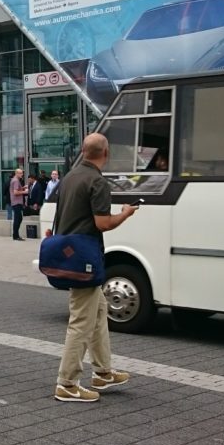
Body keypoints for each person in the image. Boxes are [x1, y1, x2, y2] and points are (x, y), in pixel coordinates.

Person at [53, 133, 138, 403]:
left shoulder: (70, 177)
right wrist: (125, 214)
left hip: (71, 256)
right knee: (80, 322)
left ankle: (102, 372)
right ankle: (66, 383)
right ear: (106, 152)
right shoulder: (97, 181)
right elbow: (103, 224)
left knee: (99, 312)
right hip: (85, 261)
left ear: (83, 151)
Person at [9, 168, 27, 241]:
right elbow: (15, 192)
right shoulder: (16, 181)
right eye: (21, 173)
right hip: (17, 202)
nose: (22, 174)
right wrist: (25, 192)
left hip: (15, 202)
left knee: (18, 218)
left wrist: (22, 188)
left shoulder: (14, 180)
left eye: (22, 173)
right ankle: (16, 236)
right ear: (16, 173)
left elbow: (16, 190)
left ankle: (15, 235)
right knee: (18, 218)